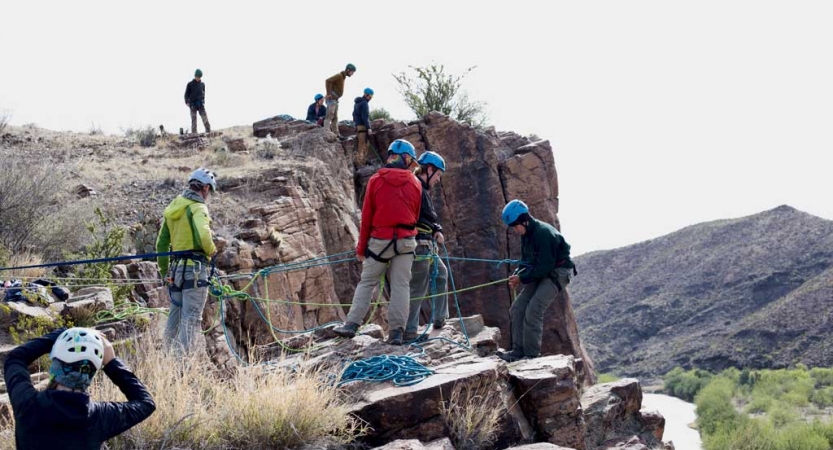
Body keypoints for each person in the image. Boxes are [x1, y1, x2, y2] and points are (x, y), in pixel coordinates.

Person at [3, 327, 155, 449]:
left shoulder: (27, 404)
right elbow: (145, 402)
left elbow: (15, 358)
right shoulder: (99, 416)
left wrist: (65, 333)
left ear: (56, 365)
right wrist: (111, 363)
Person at [333, 139, 422, 345]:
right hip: (406, 242)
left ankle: (352, 325)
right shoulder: (415, 183)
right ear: (406, 158)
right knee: (401, 285)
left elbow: (367, 217)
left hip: (379, 242)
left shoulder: (375, 180)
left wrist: (361, 247)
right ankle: (396, 333)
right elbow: (414, 215)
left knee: (367, 282)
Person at [497, 200, 576, 362]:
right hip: (541, 271)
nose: (515, 230)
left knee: (533, 310)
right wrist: (517, 274)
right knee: (517, 308)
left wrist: (522, 278)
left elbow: (545, 265)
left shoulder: (543, 233)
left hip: (557, 273)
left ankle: (531, 356)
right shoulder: (527, 234)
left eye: (515, 226)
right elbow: (526, 260)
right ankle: (517, 352)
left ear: (524, 220)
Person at [157, 168, 217, 354]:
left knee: (174, 319)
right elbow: (204, 236)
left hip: (175, 272)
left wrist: (164, 270)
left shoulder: (173, 208)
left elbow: (161, 244)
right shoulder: (198, 207)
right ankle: (180, 368)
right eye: (210, 191)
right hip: (195, 272)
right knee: (191, 319)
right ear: (205, 188)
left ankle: (166, 363)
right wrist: (212, 251)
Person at [404, 151, 449, 342]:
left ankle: (439, 319)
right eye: (438, 174)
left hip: (426, 243)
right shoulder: (414, 187)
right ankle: (409, 330)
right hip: (419, 244)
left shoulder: (422, 190)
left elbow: (429, 216)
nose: (438, 179)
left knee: (441, 274)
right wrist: (432, 228)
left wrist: (436, 228)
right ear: (429, 169)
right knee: (417, 287)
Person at [323, 63, 356, 136]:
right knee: (329, 115)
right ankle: (326, 131)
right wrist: (328, 93)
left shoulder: (343, 77)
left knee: (335, 117)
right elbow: (328, 81)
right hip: (331, 99)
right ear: (348, 70)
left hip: (335, 100)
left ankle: (336, 133)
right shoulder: (339, 76)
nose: (352, 74)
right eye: (352, 72)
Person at [352, 87, 374, 166]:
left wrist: (356, 124)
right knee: (363, 144)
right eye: (370, 97)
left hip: (358, 126)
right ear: (366, 95)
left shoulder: (357, 103)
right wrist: (369, 128)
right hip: (363, 127)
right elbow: (365, 117)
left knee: (361, 144)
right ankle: (360, 163)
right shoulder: (364, 103)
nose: (370, 98)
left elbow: (353, 114)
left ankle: (361, 161)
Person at [184, 68, 210, 134]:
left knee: (204, 117)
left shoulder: (202, 84)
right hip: (192, 104)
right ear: (195, 75)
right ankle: (194, 133)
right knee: (194, 119)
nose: (198, 78)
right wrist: (187, 102)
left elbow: (203, 93)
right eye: (197, 76)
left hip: (200, 103)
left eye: (199, 77)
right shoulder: (190, 84)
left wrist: (203, 100)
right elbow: (186, 94)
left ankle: (208, 130)